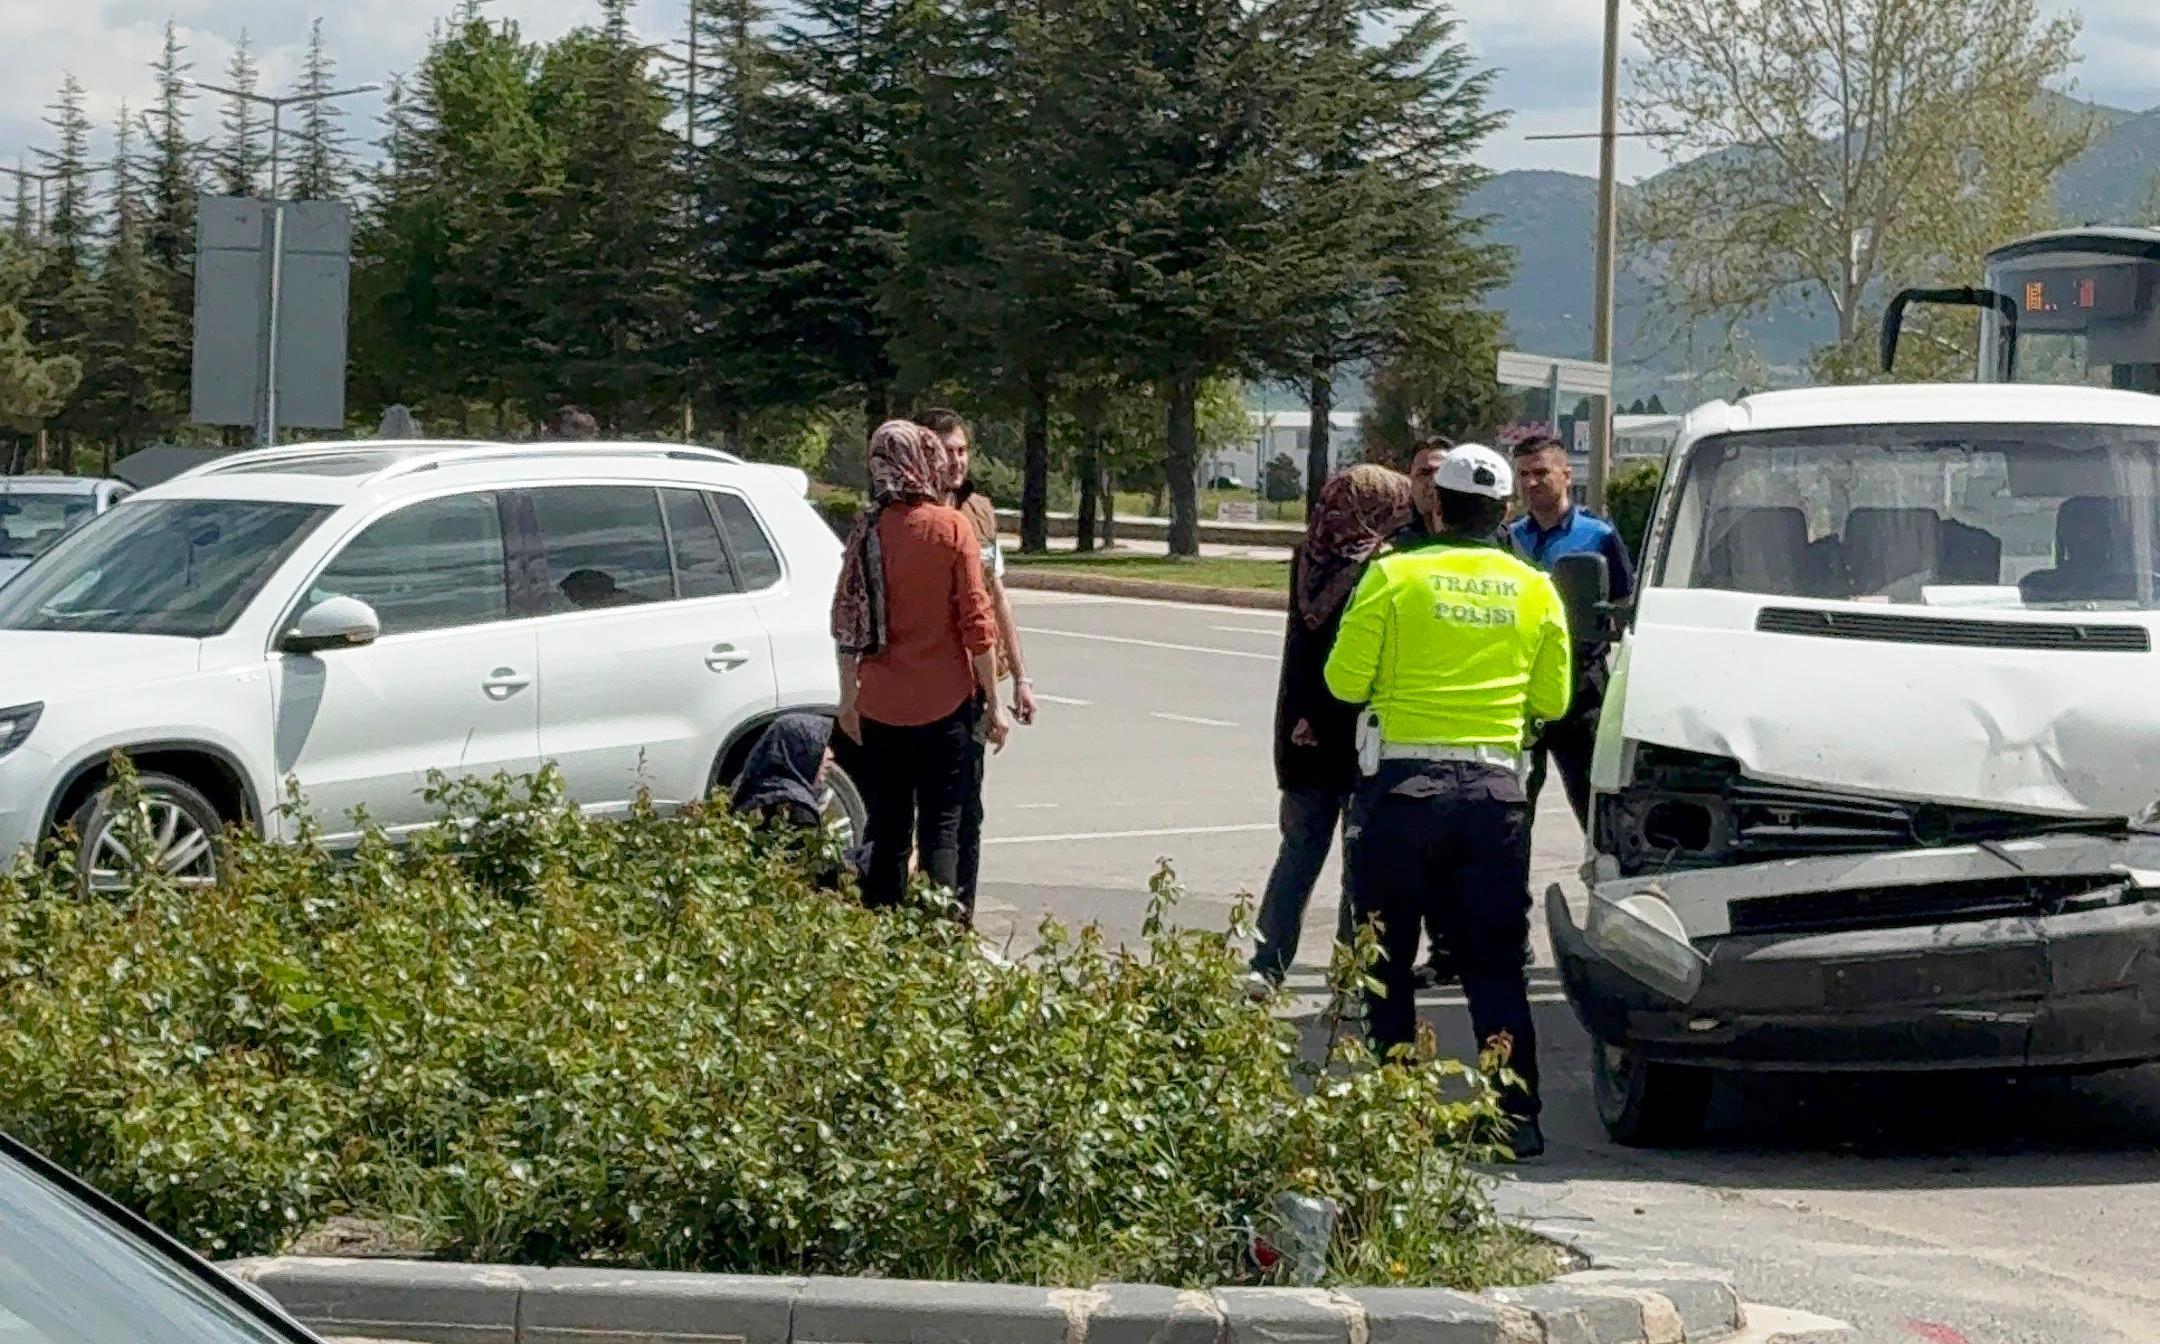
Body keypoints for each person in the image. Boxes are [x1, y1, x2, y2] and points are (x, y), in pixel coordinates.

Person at [1325, 443, 1571, 1157]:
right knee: (1494, 964)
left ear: (1436, 505)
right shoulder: (1535, 588)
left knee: (1387, 960)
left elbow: (1345, 682)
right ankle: (1514, 1115)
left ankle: (1392, 1112)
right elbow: (1551, 699)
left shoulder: (1393, 578)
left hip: (1400, 792)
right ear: (1503, 511)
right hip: (1494, 796)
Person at [832, 420, 1010, 919]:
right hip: (945, 705)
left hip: (880, 705)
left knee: (887, 830)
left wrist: (848, 700)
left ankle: (884, 933)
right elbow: (978, 625)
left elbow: (847, 623)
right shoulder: (951, 528)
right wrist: (992, 703)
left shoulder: (866, 529)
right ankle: (939, 935)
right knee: (943, 827)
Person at [1247, 464, 1414, 996]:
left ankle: (1266, 965)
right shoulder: (1382, 569)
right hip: (1356, 729)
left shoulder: (1309, 556)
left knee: (1299, 851)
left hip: (1299, 725)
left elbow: (1302, 651)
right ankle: (1345, 978)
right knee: (1353, 857)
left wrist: (1302, 720)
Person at [914, 409, 1036, 916]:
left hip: (974, 681)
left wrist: (1020, 679)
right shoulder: (907, 514)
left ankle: (959, 913)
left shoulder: (980, 512)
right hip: (922, 681)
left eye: (963, 449)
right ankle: (921, 912)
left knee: (967, 808)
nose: (957, 460)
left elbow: (997, 596)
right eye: (947, 450)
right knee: (923, 810)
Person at [1505, 435, 1635, 828]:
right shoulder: (1510, 538)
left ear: (1566, 474)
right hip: (1521, 687)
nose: (1530, 483)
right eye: (1522, 474)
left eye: (1541, 472)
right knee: (1512, 809)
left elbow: (1625, 605)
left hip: (1582, 689)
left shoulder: (1599, 535)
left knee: (1595, 804)